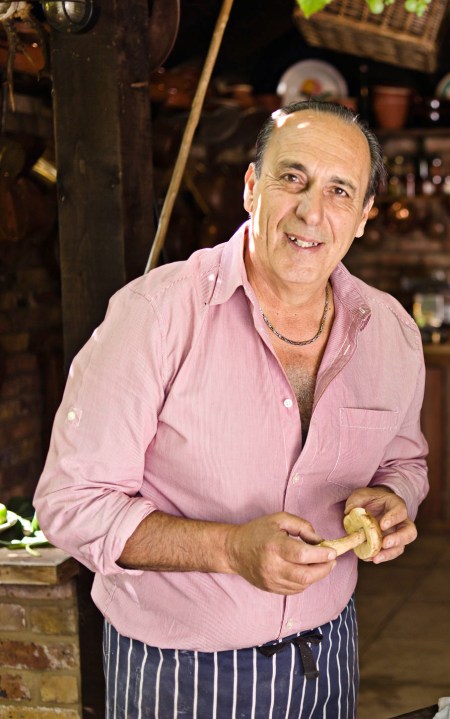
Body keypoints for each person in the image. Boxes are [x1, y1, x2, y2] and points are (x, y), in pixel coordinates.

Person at [34, 100, 428, 718]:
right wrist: (228, 550)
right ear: (252, 188)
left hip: (329, 657)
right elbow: (71, 504)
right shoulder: (156, 314)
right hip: (179, 675)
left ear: (364, 217)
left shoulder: (391, 331)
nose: (310, 211)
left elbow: (405, 461)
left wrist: (394, 498)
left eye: (339, 191)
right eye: (290, 177)